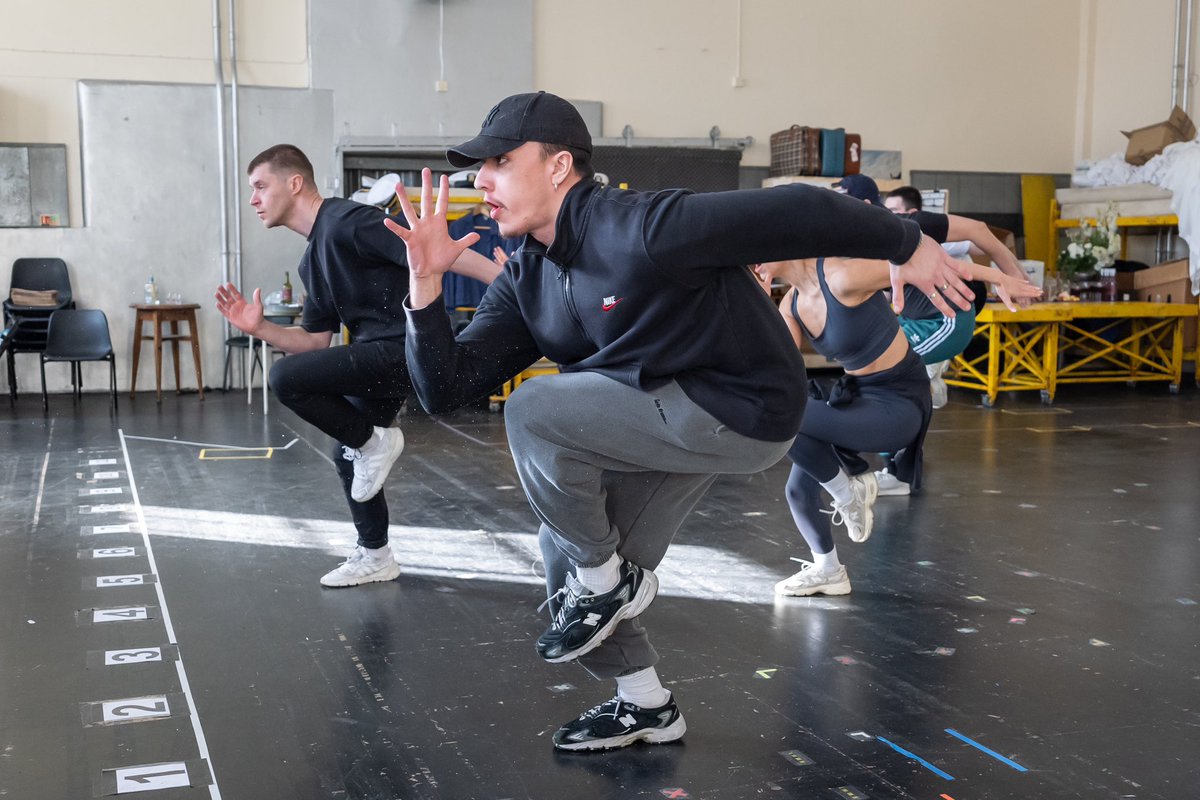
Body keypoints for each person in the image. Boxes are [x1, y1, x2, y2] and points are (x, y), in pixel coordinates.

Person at [385, 92, 975, 751]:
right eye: (478, 167)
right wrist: (425, 286)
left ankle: (607, 584)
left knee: (534, 413)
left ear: (558, 166)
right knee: (566, 554)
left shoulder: (642, 224)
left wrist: (909, 243)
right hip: (665, 421)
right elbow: (444, 390)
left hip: (744, 404)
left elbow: (800, 208)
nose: (480, 179)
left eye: (498, 160)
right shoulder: (526, 278)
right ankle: (645, 704)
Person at [214, 144, 500, 588]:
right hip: (379, 359)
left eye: (259, 186)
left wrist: (508, 284)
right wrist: (262, 327)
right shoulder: (313, 257)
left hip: (411, 350)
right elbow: (313, 341)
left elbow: (436, 253)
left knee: (286, 379)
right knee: (347, 453)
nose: (253, 199)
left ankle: (375, 445)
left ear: (294, 183)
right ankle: (376, 555)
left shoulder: (348, 220)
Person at [755, 255, 1040, 597]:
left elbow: (933, 265)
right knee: (798, 490)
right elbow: (779, 366)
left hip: (898, 403)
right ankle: (828, 570)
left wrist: (1001, 277)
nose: (752, 263)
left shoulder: (842, 275)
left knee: (786, 416)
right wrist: (758, 308)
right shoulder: (792, 304)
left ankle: (849, 493)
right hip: (856, 400)